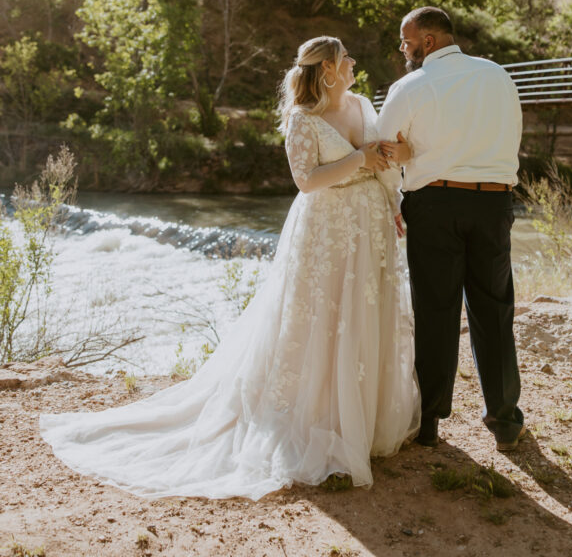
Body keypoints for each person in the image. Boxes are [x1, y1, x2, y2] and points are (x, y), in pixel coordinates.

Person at [41, 36, 420, 499]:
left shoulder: (362, 103)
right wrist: (359, 158)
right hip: (325, 229)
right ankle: (320, 420)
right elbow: (307, 181)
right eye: (346, 58)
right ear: (327, 71)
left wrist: (393, 197)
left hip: (370, 227)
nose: (354, 62)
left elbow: (384, 161)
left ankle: (363, 419)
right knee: (323, 318)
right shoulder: (303, 120)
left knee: (362, 315)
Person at [378, 7, 525, 451]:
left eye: (406, 42)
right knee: (494, 310)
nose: (403, 50)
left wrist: (393, 199)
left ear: (428, 41)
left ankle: (428, 423)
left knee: (436, 311)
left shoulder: (411, 86)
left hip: (435, 204)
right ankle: (504, 421)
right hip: (493, 200)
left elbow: (383, 148)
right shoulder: (498, 76)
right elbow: (513, 135)